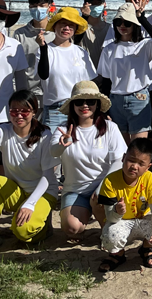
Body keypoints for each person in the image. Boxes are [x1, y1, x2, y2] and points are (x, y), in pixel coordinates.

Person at [0, 90, 58, 254]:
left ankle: (45, 227)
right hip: (17, 191)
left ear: (34, 112)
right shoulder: (5, 131)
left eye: (24, 111)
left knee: (23, 232)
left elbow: (48, 176)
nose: (19, 116)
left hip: (43, 193)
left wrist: (30, 204)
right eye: (14, 111)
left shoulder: (44, 135)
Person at [51, 81, 125, 240]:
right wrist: (62, 145)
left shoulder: (110, 128)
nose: (85, 105)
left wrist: (102, 187)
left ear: (97, 104)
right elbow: (53, 152)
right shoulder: (63, 129)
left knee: (104, 212)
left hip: (103, 188)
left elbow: (119, 160)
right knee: (72, 228)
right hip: (75, 189)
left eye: (90, 101)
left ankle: (106, 231)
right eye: (79, 101)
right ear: (72, 105)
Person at [97, 138, 152, 271]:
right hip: (122, 222)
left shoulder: (149, 178)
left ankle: (147, 248)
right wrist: (117, 211)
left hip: (143, 220)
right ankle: (118, 254)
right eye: (131, 160)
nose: (134, 166)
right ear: (123, 158)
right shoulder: (110, 181)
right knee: (110, 235)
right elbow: (109, 217)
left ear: (148, 166)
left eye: (141, 163)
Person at [98, 3, 152, 144]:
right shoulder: (108, 49)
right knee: (121, 148)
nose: (122, 26)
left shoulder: (144, 45)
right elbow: (106, 81)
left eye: (127, 23)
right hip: (115, 100)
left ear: (134, 25)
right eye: (118, 22)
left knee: (138, 147)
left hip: (138, 98)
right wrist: (104, 109)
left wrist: (142, 19)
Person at [36, 7, 97, 131]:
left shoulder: (81, 52)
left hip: (80, 109)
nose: (67, 28)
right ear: (54, 26)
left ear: (75, 29)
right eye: (63, 24)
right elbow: (43, 75)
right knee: (52, 143)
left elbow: (89, 84)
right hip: (55, 110)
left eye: (71, 25)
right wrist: (43, 48)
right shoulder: (46, 50)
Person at [13, 0, 55, 104]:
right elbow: (16, 66)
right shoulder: (19, 34)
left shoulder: (56, 32)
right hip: (28, 94)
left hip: (52, 94)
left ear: (49, 6)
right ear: (29, 7)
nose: (38, 9)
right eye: (34, 6)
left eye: (42, 5)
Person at [77, 0, 111, 67]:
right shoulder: (80, 28)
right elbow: (76, 39)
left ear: (104, 4)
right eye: (92, 3)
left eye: (98, 3)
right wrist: (84, 17)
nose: (95, 6)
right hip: (86, 71)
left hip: (105, 72)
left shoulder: (110, 28)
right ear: (84, 5)